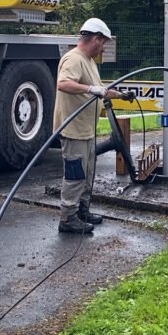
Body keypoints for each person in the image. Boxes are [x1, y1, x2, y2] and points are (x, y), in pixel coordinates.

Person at [53, 17, 133, 234]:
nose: (104, 47)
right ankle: (67, 218)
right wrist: (90, 89)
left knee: (88, 174)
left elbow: (100, 90)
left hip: (86, 130)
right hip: (73, 130)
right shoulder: (73, 58)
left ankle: (82, 211)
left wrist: (121, 95)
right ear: (95, 38)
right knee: (75, 175)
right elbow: (63, 83)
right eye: (103, 42)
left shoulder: (88, 61)